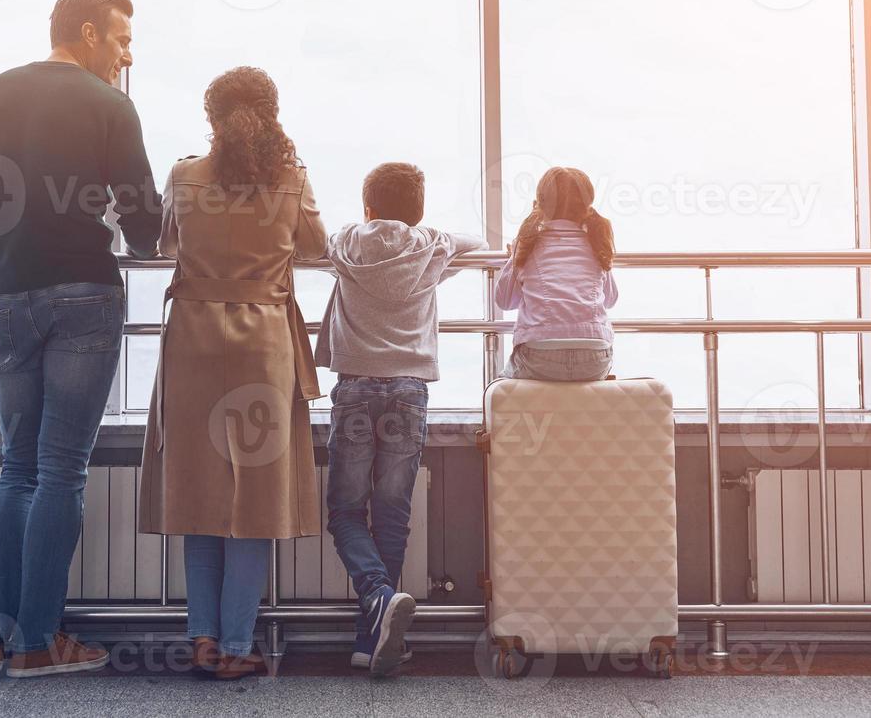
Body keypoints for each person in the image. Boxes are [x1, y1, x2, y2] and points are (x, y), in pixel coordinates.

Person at [0, 0, 161, 679]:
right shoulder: (109, 106)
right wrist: (142, 241)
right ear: (86, 33)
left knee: (15, 465)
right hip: (85, 294)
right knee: (59, 469)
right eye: (120, 41)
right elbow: (142, 221)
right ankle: (40, 642)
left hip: (9, 294)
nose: (125, 56)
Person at [137, 66, 325, 680]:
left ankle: (202, 640)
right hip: (263, 341)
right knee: (256, 496)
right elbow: (318, 248)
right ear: (272, 114)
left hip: (192, 337)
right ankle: (240, 645)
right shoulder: (291, 180)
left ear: (212, 117)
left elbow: (166, 244)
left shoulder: (185, 175)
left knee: (198, 488)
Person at [314, 162, 483, 675]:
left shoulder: (345, 244)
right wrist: (433, 235)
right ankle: (378, 625)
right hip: (409, 390)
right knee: (391, 514)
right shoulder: (430, 247)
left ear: (367, 208)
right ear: (419, 211)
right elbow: (475, 240)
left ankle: (376, 610)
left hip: (355, 389)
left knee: (345, 512)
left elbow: (306, 245)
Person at [496, 166, 618, 382]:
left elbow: (505, 301)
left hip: (539, 357)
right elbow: (610, 299)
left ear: (540, 203)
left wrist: (513, 257)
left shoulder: (527, 245)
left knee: (501, 381)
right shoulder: (596, 244)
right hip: (594, 358)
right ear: (586, 206)